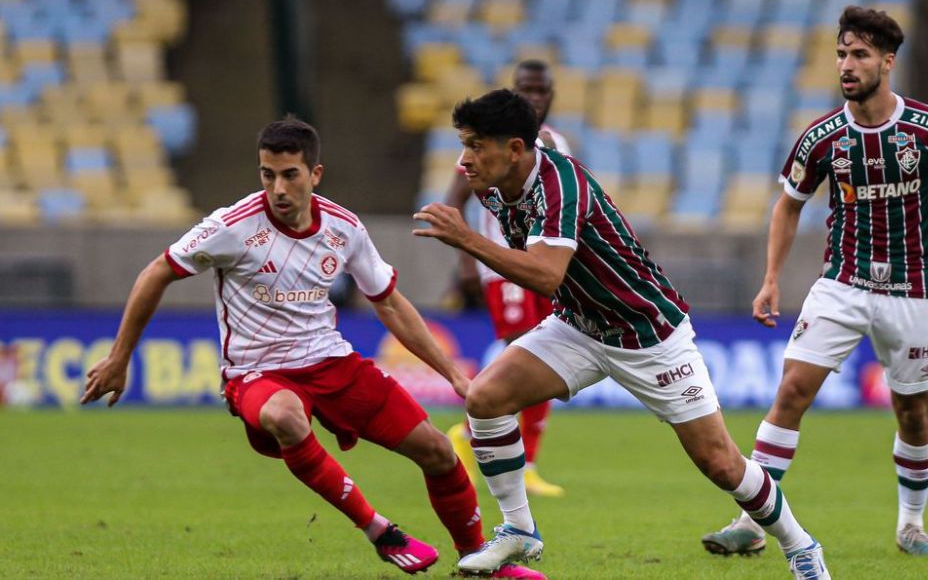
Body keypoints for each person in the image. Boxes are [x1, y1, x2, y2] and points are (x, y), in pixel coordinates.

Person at [80, 118, 545, 579]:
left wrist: (454, 375)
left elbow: (389, 304)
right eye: (267, 174)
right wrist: (120, 357)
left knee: (438, 451)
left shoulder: (343, 228)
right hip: (257, 373)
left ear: (314, 174)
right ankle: (380, 530)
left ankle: (478, 565)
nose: (277, 188)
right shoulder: (232, 226)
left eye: (289, 175)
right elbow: (157, 272)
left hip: (331, 362)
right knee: (285, 416)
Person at [413, 89, 830, 579]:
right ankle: (519, 530)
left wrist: (467, 239)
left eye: (477, 146)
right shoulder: (491, 186)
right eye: (463, 144)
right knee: (485, 398)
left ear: (515, 149)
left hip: (649, 335)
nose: (465, 159)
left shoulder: (560, 185)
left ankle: (802, 548)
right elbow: (551, 281)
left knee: (720, 463)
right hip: (579, 326)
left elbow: (545, 275)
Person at [701, 6, 928, 559]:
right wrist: (771, 279)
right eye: (842, 54)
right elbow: (787, 207)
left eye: (859, 55)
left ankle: (912, 524)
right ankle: (752, 523)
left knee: (915, 414)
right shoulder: (822, 138)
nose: (846, 65)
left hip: (912, 289)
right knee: (792, 393)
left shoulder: (921, 129)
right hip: (841, 285)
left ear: (887, 62)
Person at [445, 59, 569, 498]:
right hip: (504, 267)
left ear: (552, 94)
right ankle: (469, 430)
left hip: (546, 265)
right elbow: (455, 198)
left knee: (546, 356)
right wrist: (465, 265)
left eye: (541, 90)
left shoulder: (560, 144)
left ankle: (526, 460)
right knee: (523, 346)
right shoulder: (489, 148)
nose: (535, 97)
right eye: (526, 90)